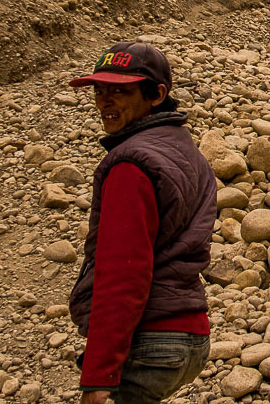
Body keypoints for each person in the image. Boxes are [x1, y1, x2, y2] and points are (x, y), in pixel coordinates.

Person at [67, 41, 215, 403]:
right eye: (100, 91)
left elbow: (123, 274)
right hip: (190, 335)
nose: (105, 101)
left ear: (157, 94)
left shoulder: (131, 166)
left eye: (121, 90)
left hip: (150, 341)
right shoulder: (188, 152)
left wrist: (99, 376)